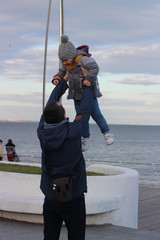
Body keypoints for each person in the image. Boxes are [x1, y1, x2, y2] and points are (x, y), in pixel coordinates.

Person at [37, 78, 94, 240]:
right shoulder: (74, 131)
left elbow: (49, 107)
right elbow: (85, 110)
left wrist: (62, 83)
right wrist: (87, 86)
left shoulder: (42, 133)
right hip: (74, 197)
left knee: (50, 237)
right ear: (63, 117)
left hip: (51, 197)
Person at [52, 35, 114, 151]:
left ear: (72, 56)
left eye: (65, 60)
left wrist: (88, 79)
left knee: (96, 114)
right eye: (62, 61)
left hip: (88, 94)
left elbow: (95, 67)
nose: (64, 63)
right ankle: (86, 139)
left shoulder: (83, 60)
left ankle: (107, 133)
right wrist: (57, 78)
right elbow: (61, 71)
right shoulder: (68, 64)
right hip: (76, 95)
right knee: (81, 117)